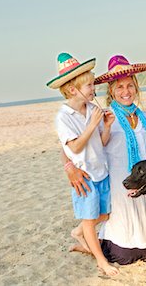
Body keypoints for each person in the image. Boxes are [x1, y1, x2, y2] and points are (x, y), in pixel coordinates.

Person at [64, 55, 146, 265]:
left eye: (129, 86)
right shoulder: (104, 118)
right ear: (111, 91)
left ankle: (84, 237)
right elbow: (71, 143)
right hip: (121, 185)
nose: (125, 92)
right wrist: (69, 167)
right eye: (119, 87)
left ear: (136, 87)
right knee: (124, 254)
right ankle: (86, 239)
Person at [46, 53, 119, 276]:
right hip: (85, 176)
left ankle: (78, 233)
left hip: (101, 171)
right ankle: (101, 261)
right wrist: (93, 124)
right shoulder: (64, 116)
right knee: (90, 220)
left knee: (105, 214)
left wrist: (105, 126)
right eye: (89, 85)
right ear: (72, 90)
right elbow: (74, 148)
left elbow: (102, 142)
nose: (93, 89)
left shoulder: (91, 110)